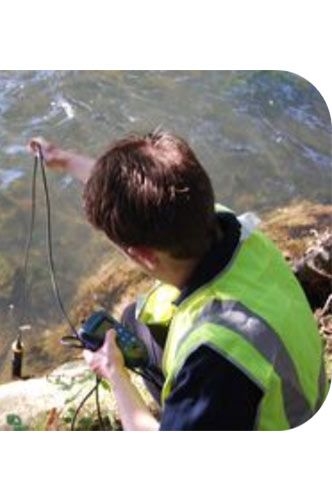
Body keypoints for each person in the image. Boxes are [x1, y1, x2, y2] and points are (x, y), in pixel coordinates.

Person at [28, 132, 328, 431]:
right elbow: (136, 194)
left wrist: (115, 373)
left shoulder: (214, 359)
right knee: (134, 319)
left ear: (144, 256)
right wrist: (64, 160)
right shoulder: (225, 223)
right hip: (284, 378)